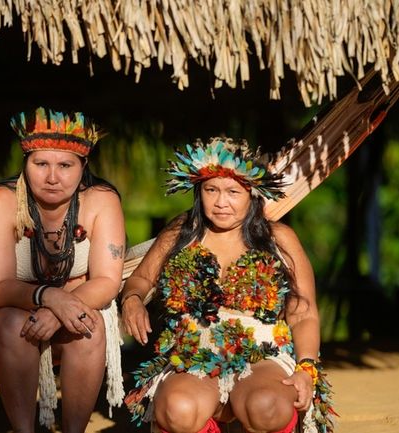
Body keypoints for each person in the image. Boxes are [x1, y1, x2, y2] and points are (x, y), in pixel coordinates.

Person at [120, 138, 336, 433]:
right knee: (176, 410)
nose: (221, 202)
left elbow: (304, 312)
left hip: (263, 353)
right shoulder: (181, 233)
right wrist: (132, 298)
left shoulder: (279, 239)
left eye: (233, 191)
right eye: (212, 190)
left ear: (252, 193)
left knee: (267, 407)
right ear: (199, 191)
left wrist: (306, 367)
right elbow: (141, 278)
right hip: (194, 352)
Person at [0, 107, 126, 433]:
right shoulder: (2, 200)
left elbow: (107, 280)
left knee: (89, 327)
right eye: (41, 164)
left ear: (83, 165)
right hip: (15, 311)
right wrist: (50, 298)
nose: (52, 177)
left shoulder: (101, 200)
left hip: (75, 307)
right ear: (25, 162)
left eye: (65, 165)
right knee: (11, 324)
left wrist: (61, 310)